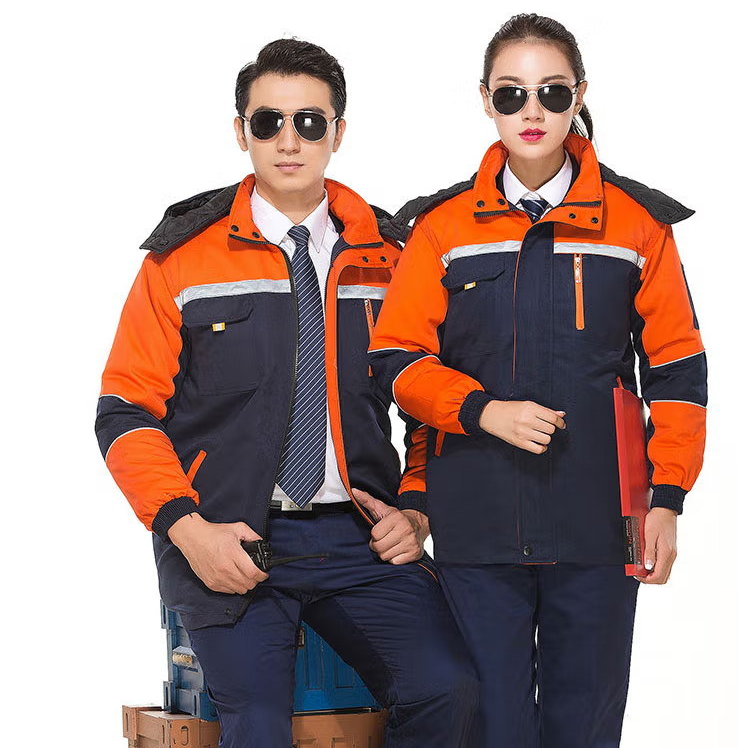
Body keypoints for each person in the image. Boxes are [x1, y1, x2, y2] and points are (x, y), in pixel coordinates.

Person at [95, 38, 477, 748]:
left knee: (452, 691)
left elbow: (431, 398)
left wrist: (417, 507)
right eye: (268, 122)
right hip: (231, 534)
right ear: (241, 132)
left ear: (339, 131)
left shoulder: (391, 259)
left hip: (359, 538)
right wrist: (188, 529)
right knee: (258, 726)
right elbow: (124, 412)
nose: (289, 141)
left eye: (310, 122)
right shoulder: (182, 259)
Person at [368, 14, 707, 747]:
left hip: (599, 524)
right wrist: (482, 411)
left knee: (584, 731)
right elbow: (396, 359)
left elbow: (678, 371)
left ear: (579, 94)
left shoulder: (637, 224)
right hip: (476, 524)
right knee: (491, 728)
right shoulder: (441, 228)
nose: (532, 112)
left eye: (552, 93)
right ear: (484, 99)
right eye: (511, 93)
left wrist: (668, 499)